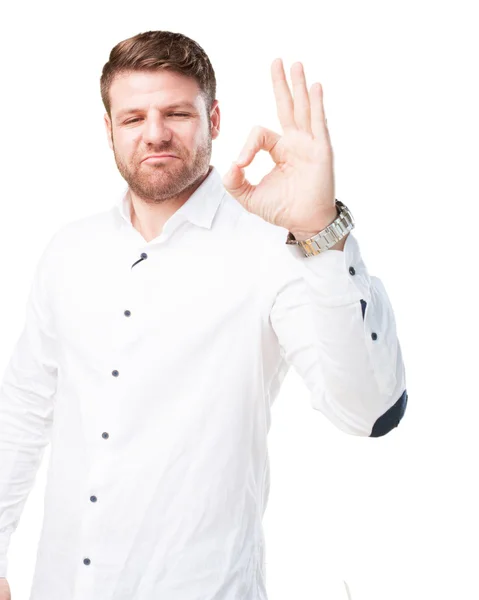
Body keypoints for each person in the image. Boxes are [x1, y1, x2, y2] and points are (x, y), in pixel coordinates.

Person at [0, 29, 407, 600]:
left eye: (176, 113)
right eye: (133, 117)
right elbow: (21, 411)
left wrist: (320, 230)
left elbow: (370, 410)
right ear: (109, 130)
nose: (155, 133)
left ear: (214, 120)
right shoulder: (69, 251)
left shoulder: (276, 247)